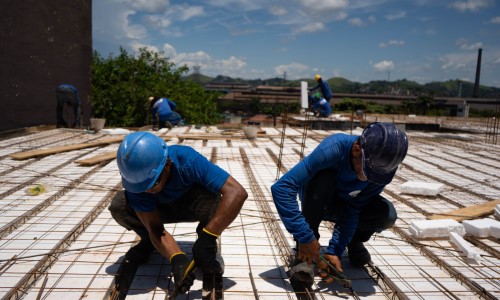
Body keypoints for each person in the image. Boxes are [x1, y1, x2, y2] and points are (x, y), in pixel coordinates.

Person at [271, 122, 408, 286]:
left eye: (375, 175)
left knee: (386, 214)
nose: (368, 178)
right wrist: (306, 236)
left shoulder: (380, 171)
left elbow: (354, 208)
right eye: (366, 170)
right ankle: (304, 254)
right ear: (356, 150)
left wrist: (335, 250)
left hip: (346, 202)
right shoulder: (334, 148)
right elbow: (282, 188)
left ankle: (354, 240)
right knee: (322, 179)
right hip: (318, 201)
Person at [108, 131, 247, 293]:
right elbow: (155, 227)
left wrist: (209, 236)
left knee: (216, 194)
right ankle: (148, 242)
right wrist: (177, 258)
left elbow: (236, 192)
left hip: (192, 205)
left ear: (167, 164)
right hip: (158, 211)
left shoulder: (187, 159)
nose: (147, 190)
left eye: (153, 183)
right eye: (141, 187)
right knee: (119, 205)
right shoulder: (136, 182)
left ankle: (207, 247)